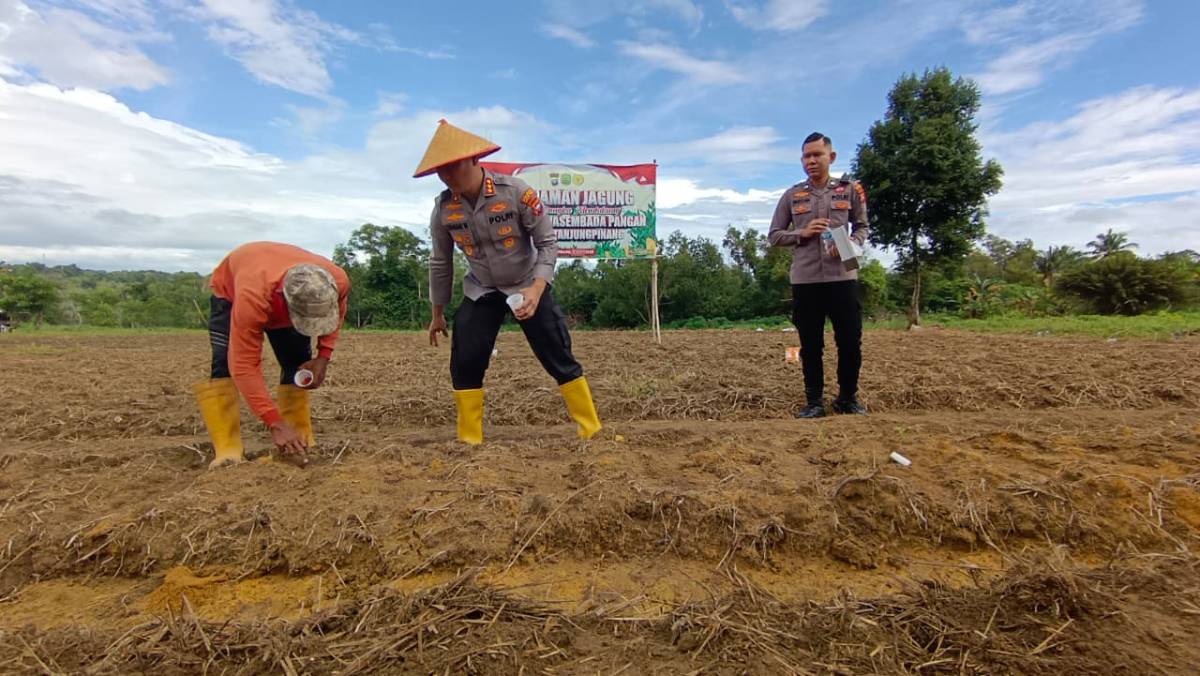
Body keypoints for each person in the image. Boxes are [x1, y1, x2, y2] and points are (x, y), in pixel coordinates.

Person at [416, 119, 601, 444]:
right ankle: (469, 441)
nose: (447, 176)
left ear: (475, 159)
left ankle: (591, 431)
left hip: (527, 283)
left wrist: (537, 288)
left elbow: (548, 244)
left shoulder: (516, 193)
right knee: (466, 359)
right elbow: (440, 260)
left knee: (557, 353)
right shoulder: (444, 210)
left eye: (453, 166)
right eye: (440, 171)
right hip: (482, 288)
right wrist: (436, 313)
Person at [195, 242, 350, 468]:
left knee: (297, 363)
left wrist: (323, 355)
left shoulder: (338, 280)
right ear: (288, 304)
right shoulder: (253, 298)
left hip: (274, 286)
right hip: (233, 292)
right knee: (223, 365)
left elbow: (338, 311)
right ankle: (228, 451)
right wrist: (274, 422)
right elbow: (244, 364)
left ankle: (300, 440)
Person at [768, 132, 869, 418]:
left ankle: (847, 398)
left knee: (850, 341)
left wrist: (852, 245)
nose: (811, 161)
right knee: (811, 345)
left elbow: (862, 227)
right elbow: (774, 235)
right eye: (806, 156)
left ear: (831, 157)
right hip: (806, 280)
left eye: (817, 155)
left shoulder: (849, 191)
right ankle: (814, 402)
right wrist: (803, 232)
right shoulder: (792, 195)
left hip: (843, 277)